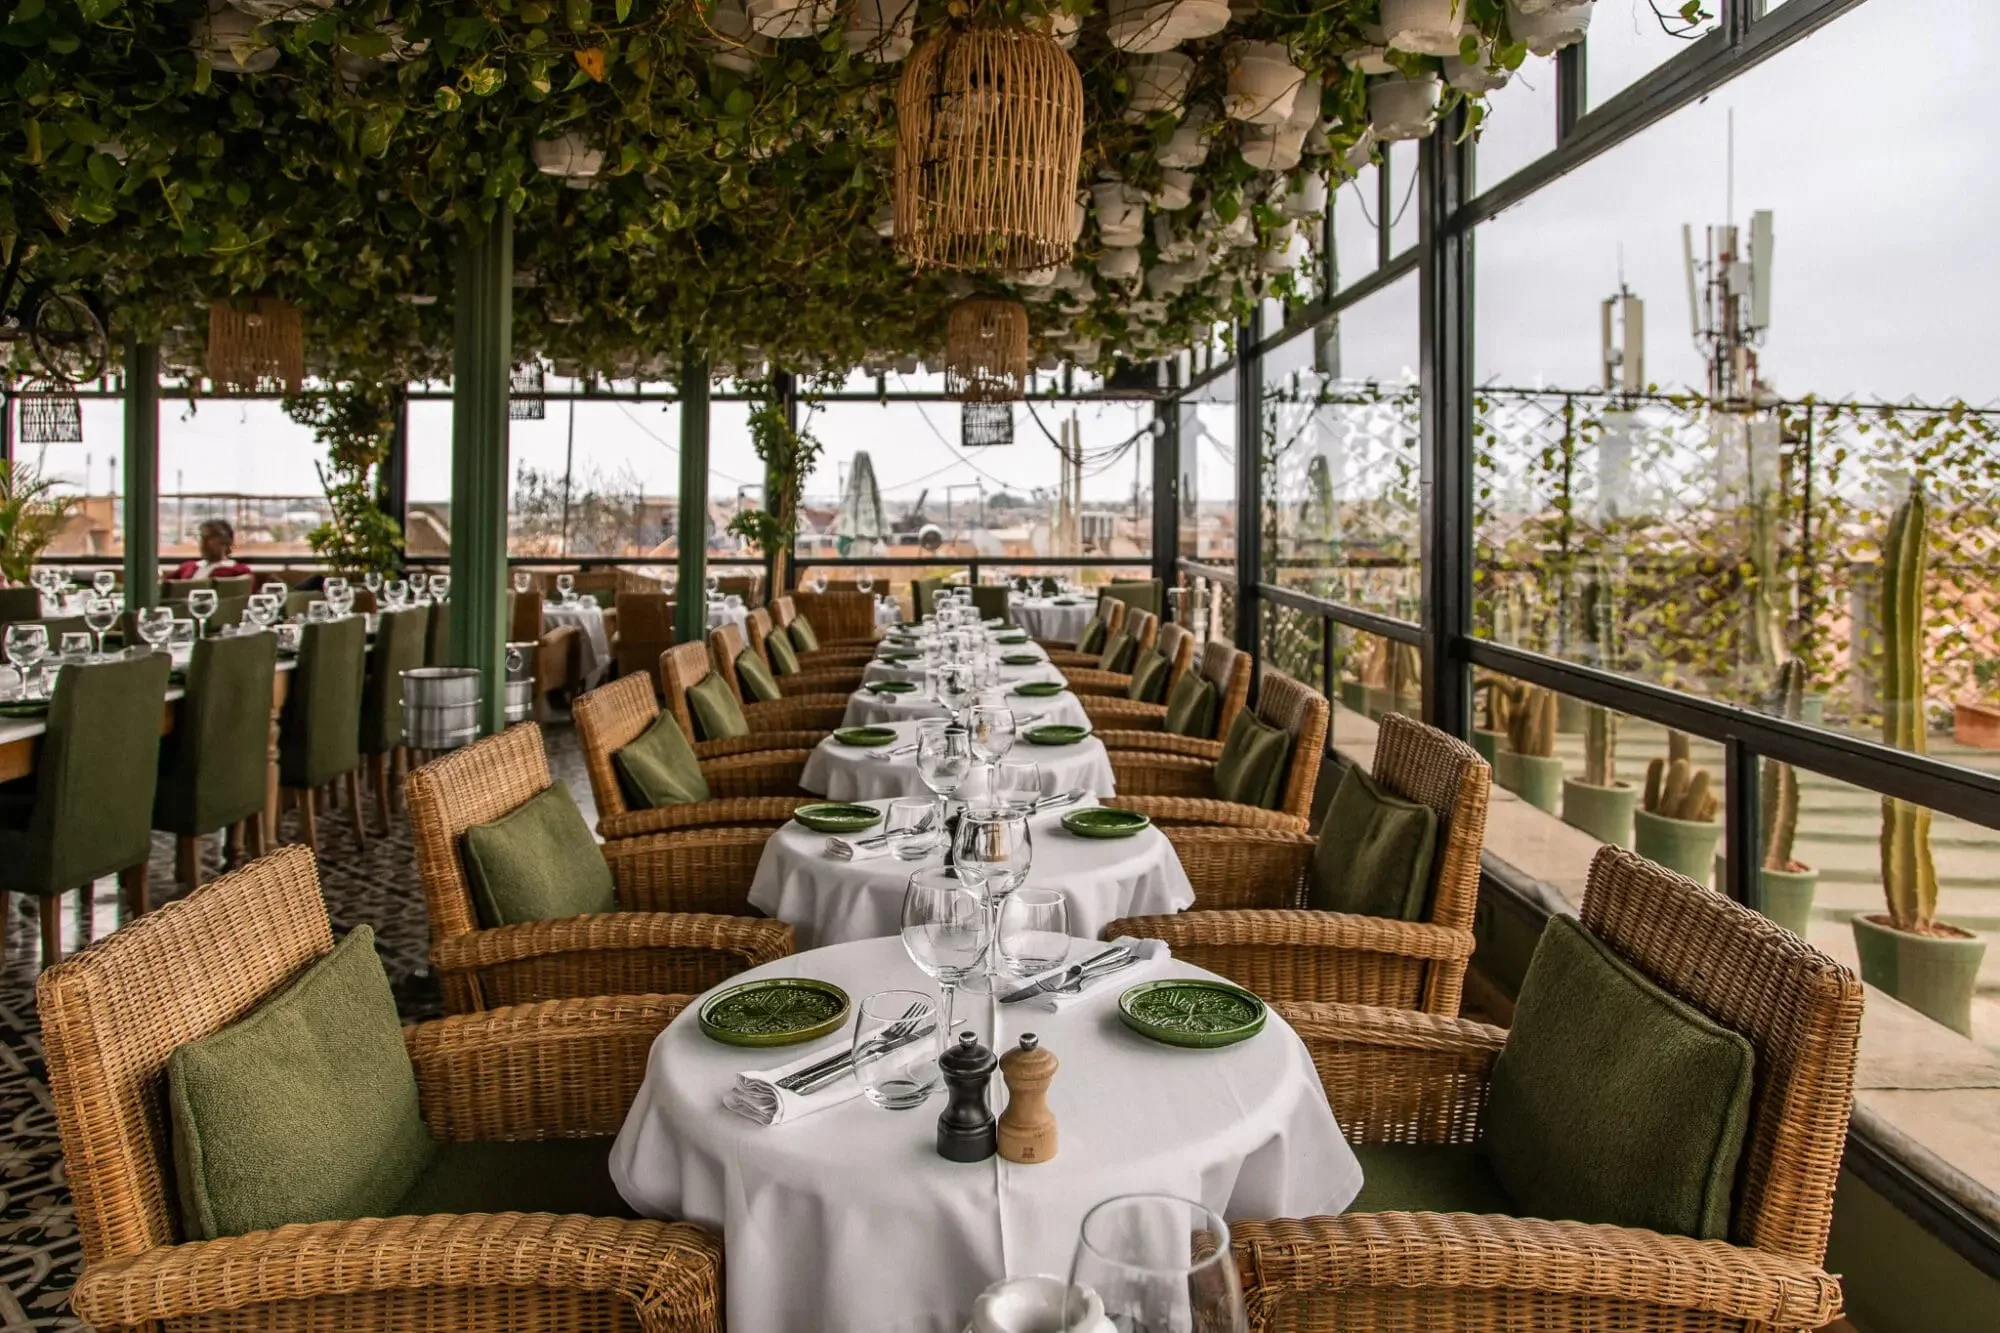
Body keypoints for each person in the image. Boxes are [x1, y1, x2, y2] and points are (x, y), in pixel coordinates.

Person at [171, 519, 254, 581]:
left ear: (226, 541)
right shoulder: (187, 567)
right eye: (202, 538)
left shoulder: (240, 571)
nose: (204, 543)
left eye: (209, 538)